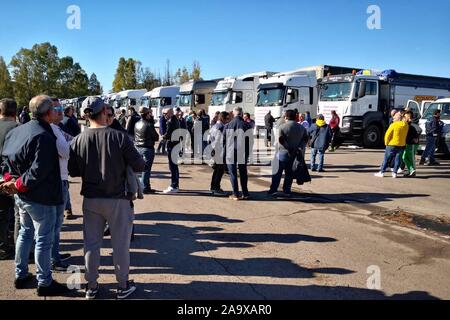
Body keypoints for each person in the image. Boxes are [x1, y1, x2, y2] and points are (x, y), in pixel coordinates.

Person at [68, 97, 146, 300]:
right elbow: (139, 165)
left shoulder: (78, 140)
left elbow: (73, 171)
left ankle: (91, 286)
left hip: (91, 199)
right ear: (104, 110)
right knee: (120, 245)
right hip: (118, 199)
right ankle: (122, 285)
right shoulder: (119, 137)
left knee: (91, 245)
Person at [1, 95, 70, 296]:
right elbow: (39, 170)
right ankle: (44, 282)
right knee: (42, 239)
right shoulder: (44, 136)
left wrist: (11, 181)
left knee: (25, 233)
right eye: (54, 110)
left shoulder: (18, 129)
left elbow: (5, 160)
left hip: (22, 196)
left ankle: (21, 275)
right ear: (48, 113)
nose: (57, 113)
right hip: (40, 197)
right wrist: (17, 184)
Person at [49, 99, 73, 272]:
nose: (61, 111)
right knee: (55, 224)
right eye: (58, 108)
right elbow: (65, 152)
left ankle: (55, 255)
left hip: (60, 178)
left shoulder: (56, 129)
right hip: (58, 180)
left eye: (61, 107)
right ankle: (53, 259)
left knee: (56, 224)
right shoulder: (52, 130)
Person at [268, 110, 307, 197]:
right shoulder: (302, 128)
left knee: (277, 173)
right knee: (289, 173)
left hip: (282, 152)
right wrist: (299, 148)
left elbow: (281, 140)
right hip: (294, 154)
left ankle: (274, 190)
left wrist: (288, 148)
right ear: (295, 117)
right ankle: (287, 190)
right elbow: (305, 140)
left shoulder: (282, 127)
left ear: (286, 117)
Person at [0, 99, 19, 261]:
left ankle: (3, 246)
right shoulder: (18, 129)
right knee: (13, 213)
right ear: (15, 112)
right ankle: (10, 245)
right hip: (10, 177)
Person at [224, 107, 252, 201]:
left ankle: (235, 194)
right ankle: (245, 193)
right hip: (242, 152)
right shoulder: (247, 125)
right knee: (243, 172)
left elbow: (224, 141)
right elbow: (250, 141)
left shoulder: (228, 125)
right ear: (241, 113)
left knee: (233, 173)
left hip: (231, 152)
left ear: (234, 113)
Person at [374, 111, 409, 178]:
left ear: (398, 118)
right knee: (398, 159)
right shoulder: (406, 125)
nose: (394, 118)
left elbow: (388, 134)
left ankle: (382, 172)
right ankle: (394, 173)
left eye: (395, 117)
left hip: (392, 144)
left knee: (387, 158)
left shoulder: (393, 125)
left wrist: (386, 143)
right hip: (401, 144)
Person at [134, 107, 159, 194]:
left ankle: (145, 186)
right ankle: (144, 187)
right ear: (146, 114)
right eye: (149, 113)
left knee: (142, 169)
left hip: (138, 147)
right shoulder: (149, 125)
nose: (150, 115)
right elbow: (156, 137)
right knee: (146, 169)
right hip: (147, 148)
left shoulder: (137, 124)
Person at [210, 111, 229, 196]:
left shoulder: (214, 126)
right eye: (227, 118)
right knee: (219, 170)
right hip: (219, 151)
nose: (228, 120)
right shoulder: (221, 127)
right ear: (223, 118)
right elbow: (220, 141)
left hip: (215, 149)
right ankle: (216, 188)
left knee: (217, 170)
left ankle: (213, 187)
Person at [162, 108, 181, 194]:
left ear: (170, 113)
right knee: (174, 166)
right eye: (163, 113)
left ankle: (174, 185)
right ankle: (175, 184)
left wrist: (163, 137)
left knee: (173, 166)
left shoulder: (171, 121)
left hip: (173, 145)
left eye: (165, 113)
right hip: (175, 144)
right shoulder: (174, 120)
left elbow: (168, 134)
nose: (164, 115)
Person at [402, 111, 420, 177]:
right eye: (404, 117)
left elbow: (416, 137)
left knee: (411, 158)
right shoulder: (404, 125)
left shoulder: (411, 127)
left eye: (406, 117)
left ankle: (412, 171)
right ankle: (411, 170)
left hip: (411, 145)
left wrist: (415, 140)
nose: (405, 118)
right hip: (406, 144)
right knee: (404, 157)